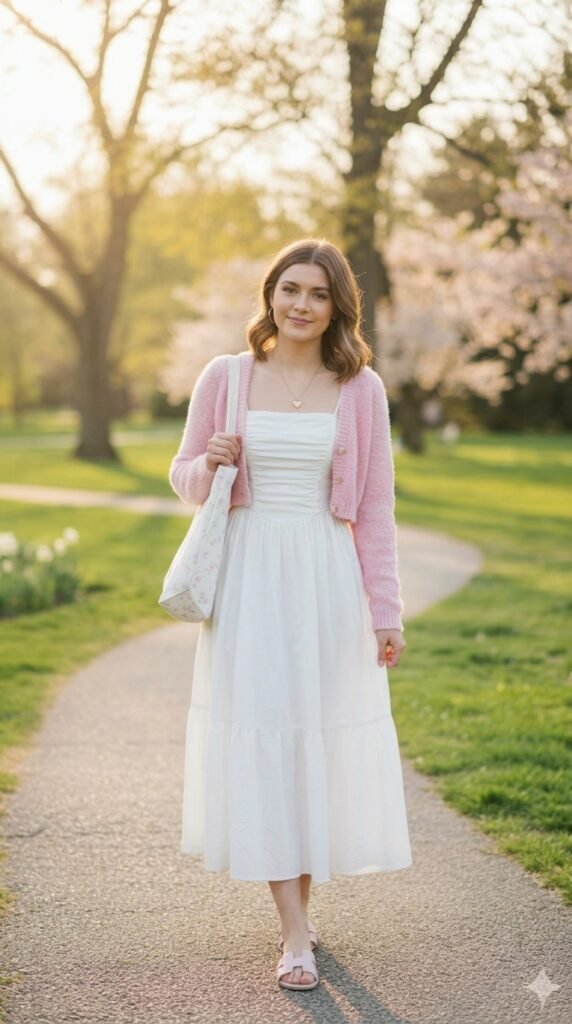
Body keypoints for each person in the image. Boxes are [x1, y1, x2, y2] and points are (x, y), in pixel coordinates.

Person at [169, 237, 412, 992]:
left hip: (326, 580)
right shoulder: (227, 376)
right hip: (248, 581)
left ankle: (301, 918)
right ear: (270, 294)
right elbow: (182, 479)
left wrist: (385, 611)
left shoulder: (361, 388)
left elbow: (374, 508)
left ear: (338, 306)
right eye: (289, 289)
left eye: (316, 294)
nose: (300, 305)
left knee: (311, 743)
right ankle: (295, 933)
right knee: (265, 737)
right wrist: (209, 462)